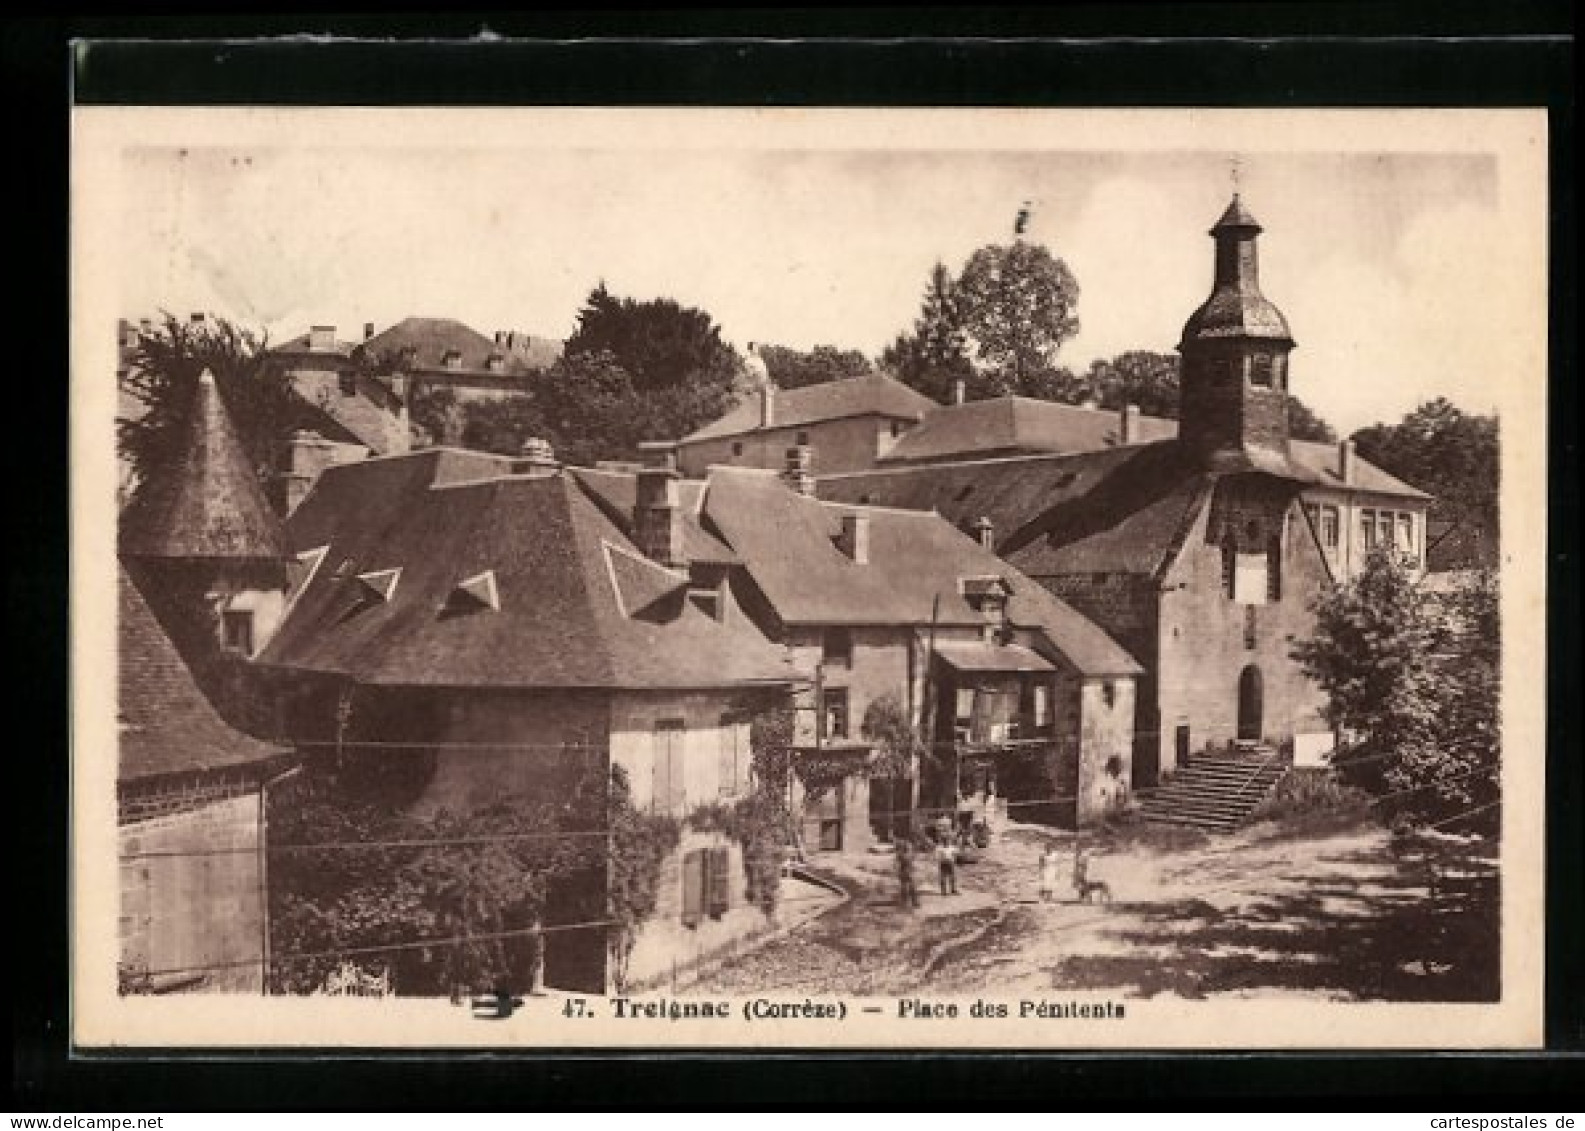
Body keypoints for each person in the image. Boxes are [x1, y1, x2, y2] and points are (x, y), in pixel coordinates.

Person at [895, 837, 919, 910]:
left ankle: (908, 902)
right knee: (908, 887)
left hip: (906, 871)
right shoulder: (905, 855)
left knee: (908, 887)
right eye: (908, 847)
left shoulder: (901, 854)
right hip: (906, 871)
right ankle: (912, 902)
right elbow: (897, 863)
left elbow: (897, 863)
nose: (909, 847)